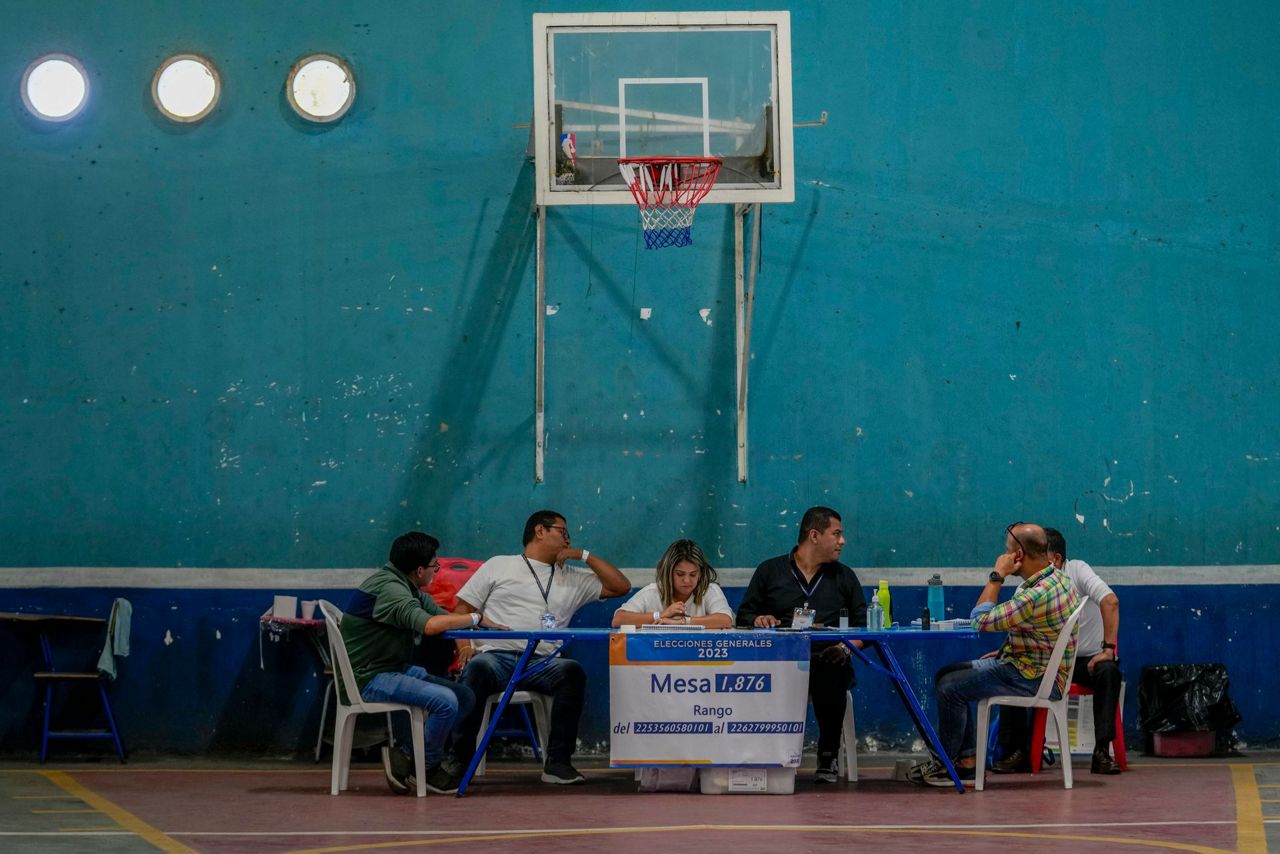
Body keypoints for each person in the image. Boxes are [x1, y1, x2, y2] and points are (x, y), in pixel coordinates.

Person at [450, 509, 631, 785]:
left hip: (542, 662)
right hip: (496, 656)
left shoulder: (572, 576)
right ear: (540, 530)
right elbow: (461, 610)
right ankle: (458, 763)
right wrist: (463, 646)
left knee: (572, 672)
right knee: (477, 669)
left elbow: (621, 587)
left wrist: (583, 556)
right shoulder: (499, 565)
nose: (567, 540)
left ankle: (558, 763)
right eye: (562, 532)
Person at [911, 522, 1080, 787]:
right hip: (1032, 665)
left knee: (950, 687)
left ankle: (948, 765)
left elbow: (980, 620)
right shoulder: (1058, 579)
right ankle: (966, 761)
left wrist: (996, 576)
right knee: (947, 674)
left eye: (1006, 551)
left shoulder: (1035, 595)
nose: (1003, 555)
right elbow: (1037, 631)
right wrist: (1004, 650)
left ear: (1019, 555)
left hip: (1031, 677)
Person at [340, 531, 498, 795]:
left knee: (464, 696)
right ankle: (427, 768)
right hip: (368, 677)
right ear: (420, 569)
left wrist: (480, 621)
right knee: (445, 701)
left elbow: (440, 615)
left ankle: (405, 755)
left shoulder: (405, 584)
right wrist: (473, 619)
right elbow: (429, 625)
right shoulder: (391, 591)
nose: (437, 570)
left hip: (390, 668)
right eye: (435, 566)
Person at [736, 506, 868, 784]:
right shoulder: (769, 571)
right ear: (814, 535)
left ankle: (828, 755)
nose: (842, 541)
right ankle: (765, 753)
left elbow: (864, 627)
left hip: (826, 660)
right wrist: (759, 618)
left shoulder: (844, 577)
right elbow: (743, 616)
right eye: (837, 534)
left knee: (834, 671)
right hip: (777, 663)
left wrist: (845, 648)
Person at [992, 527, 1123, 775]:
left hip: (1086, 662)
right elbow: (1018, 631)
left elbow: (1110, 601)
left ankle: (1102, 752)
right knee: (1011, 669)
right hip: (1048, 664)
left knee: (1109, 670)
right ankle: (1017, 751)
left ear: (1057, 559)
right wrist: (1003, 653)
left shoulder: (1078, 571)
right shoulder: (1027, 587)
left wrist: (1108, 649)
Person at [612, 539, 734, 628]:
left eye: (693, 574)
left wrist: (683, 622)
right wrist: (661, 615)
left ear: (701, 574)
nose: (687, 580)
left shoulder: (709, 590)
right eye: (680, 574)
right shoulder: (652, 592)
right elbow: (618, 619)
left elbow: (725, 619)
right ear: (668, 573)